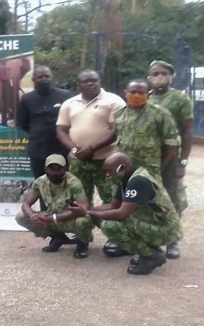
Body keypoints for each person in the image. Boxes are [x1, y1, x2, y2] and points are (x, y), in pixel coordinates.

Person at [69, 153, 182, 275]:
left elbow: (122, 214)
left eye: (109, 171)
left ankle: (152, 256)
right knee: (100, 217)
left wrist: (87, 213)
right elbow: (113, 205)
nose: (107, 175)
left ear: (121, 168)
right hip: (155, 223)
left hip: (166, 229)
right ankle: (148, 249)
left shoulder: (138, 181)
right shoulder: (127, 177)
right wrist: (87, 210)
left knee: (110, 226)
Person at [114, 79, 181, 258]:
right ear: (125, 93)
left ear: (148, 94)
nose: (136, 95)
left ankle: (162, 243)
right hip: (126, 171)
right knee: (128, 204)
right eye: (132, 92)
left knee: (152, 207)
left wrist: (162, 165)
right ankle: (130, 242)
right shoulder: (119, 114)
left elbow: (172, 143)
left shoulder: (160, 114)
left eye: (141, 92)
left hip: (149, 169)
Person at [56, 69, 126, 208]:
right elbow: (61, 131)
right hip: (78, 161)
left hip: (107, 159)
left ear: (100, 82)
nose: (90, 83)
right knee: (79, 198)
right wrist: (75, 150)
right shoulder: (69, 103)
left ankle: (109, 222)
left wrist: (91, 148)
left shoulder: (114, 101)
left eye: (94, 80)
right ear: (78, 85)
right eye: (85, 81)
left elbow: (116, 130)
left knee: (111, 198)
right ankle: (84, 222)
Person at [147, 60, 194, 259]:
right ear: (149, 78)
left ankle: (172, 241)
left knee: (172, 199)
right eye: (155, 73)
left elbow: (188, 131)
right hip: (149, 158)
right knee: (149, 197)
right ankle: (153, 238)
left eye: (163, 73)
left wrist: (183, 162)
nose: (159, 77)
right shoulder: (145, 98)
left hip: (172, 158)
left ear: (171, 77)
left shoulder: (179, 99)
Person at [15, 154, 93, 258]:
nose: (55, 173)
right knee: (21, 217)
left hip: (70, 219)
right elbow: (26, 204)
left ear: (65, 169)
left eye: (59, 169)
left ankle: (83, 243)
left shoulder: (73, 182)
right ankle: (58, 238)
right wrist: (33, 217)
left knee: (83, 221)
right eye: (51, 169)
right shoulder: (40, 182)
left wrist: (54, 218)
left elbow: (84, 208)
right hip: (51, 218)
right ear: (45, 169)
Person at [17, 65, 73, 211]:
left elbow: (72, 119)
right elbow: (23, 123)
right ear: (33, 80)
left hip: (62, 149)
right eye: (40, 77)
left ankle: (66, 216)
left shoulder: (65, 95)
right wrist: (38, 131)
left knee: (66, 183)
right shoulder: (27, 99)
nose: (44, 79)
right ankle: (46, 216)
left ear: (51, 77)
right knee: (42, 184)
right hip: (38, 151)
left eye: (47, 76)